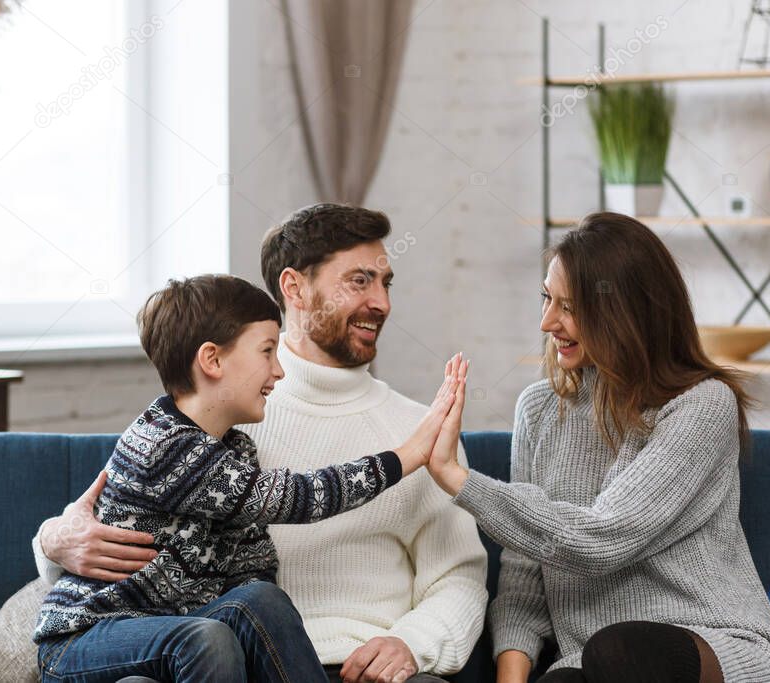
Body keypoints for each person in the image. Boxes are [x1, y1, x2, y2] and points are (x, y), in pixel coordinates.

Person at [34, 204, 489, 682]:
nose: (382, 303)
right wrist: (51, 541)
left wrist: (413, 643)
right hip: (219, 654)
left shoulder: (415, 426)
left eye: (385, 283)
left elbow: (459, 577)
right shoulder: (220, 414)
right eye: (358, 281)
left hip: (352, 663)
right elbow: (100, 517)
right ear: (294, 287)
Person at [424, 212, 770, 683]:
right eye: (546, 298)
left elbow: (602, 539)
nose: (547, 323)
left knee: (621, 651)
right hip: (593, 663)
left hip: (711, 649)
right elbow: (524, 571)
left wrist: (457, 478)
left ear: (627, 311)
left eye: (570, 307)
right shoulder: (540, 408)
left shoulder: (701, 405)